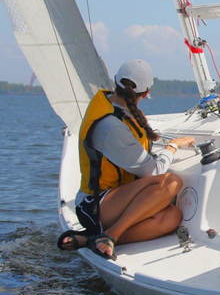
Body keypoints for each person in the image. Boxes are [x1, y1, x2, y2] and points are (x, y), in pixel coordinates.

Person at [57, 59, 195, 260]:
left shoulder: (115, 107)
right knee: (173, 182)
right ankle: (111, 235)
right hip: (94, 205)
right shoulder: (111, 126)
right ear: (146, 93)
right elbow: (154, 172)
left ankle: (90, 239)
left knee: (172, 217)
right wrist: (173, 146)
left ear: (116, 82)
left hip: (115, 200)